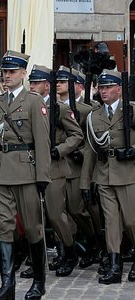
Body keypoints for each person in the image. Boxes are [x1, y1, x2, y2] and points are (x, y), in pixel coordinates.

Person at [0, 51, 51, 300]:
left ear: (23, 74)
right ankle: (7, 285)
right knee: (4, 228)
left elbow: (42, 143)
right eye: (4, 72)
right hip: (2, 170)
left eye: (12, 72)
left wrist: (42, 177)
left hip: (26, 171)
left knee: (34, 229)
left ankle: (39, 282)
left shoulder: (34, 102)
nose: (6, 76)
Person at [28, 65, 84, 278]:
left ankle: (69, 250)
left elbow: (76, 135)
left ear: (47, 85)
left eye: (36, 83)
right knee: (34, 215)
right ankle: (37, 260)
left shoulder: (58, 108)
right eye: (31, 82)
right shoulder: (26, 105)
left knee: (55, 214)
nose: (32, 86)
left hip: (54, 167)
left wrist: (59, 150)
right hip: (31, 166)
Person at [80, 69, 135, 284]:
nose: (103, 91)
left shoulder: (130, 110)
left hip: (128, 173)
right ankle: (114, 265)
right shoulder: (94, 116)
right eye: (101, 87)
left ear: (119, 89)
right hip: (104, 176)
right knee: (111, 222)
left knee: (131, 221)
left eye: (108, 87)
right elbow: (89, 151)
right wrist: (85, 183)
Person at [57, 66, 103, 268]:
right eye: (56, 80)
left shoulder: (86, 109)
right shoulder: (51, 107)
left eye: (63, 80)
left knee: (78, 209)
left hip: (77, 167)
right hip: (57, 165)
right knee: (59, 211)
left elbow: (93, 141)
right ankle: (66, 250)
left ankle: (95, 242)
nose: (58, 83)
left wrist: (81, 153)